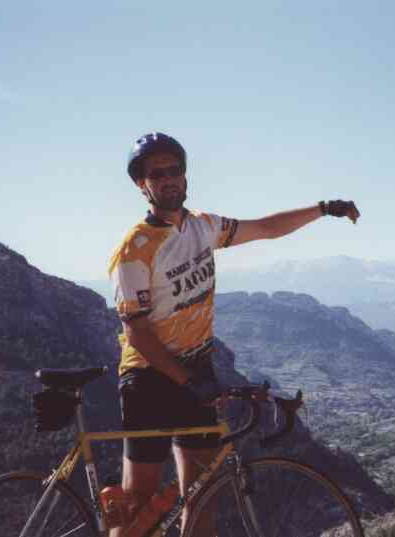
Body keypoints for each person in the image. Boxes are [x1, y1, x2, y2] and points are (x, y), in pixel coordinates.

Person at [107, 132, 360, 535]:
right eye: (158, 174)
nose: (169, 179)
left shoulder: (204, 227)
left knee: (203, 496)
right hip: (149, 378)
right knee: (139, 513)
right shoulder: (135, 249)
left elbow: (264, 228)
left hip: (196, 367)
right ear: (143, 185)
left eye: (175, 170)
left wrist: (323, 209)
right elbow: (137, 333)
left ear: (185, 176)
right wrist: (189, 382)